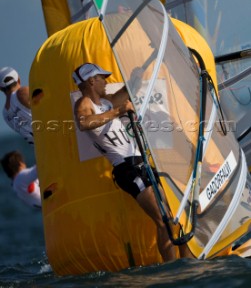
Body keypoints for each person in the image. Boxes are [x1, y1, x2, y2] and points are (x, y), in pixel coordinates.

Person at [72, 62, 191, 261]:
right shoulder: (84, 104)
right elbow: (84, 123)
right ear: (91, 81)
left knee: (177, 215)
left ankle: (189, 263)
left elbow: (125, 94)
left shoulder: (106, 102)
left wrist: (137, 75)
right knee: (163, 220)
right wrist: (119, 111)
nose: (106, 81)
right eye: (102, 78)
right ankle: (173, 268)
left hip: (141, 164)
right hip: (127, 169)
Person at [0, 67, 33, 144]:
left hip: (41, 152)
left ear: (0, 88)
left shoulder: (5, 114)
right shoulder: (22, 92)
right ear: (18, 79)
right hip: (57, 140)